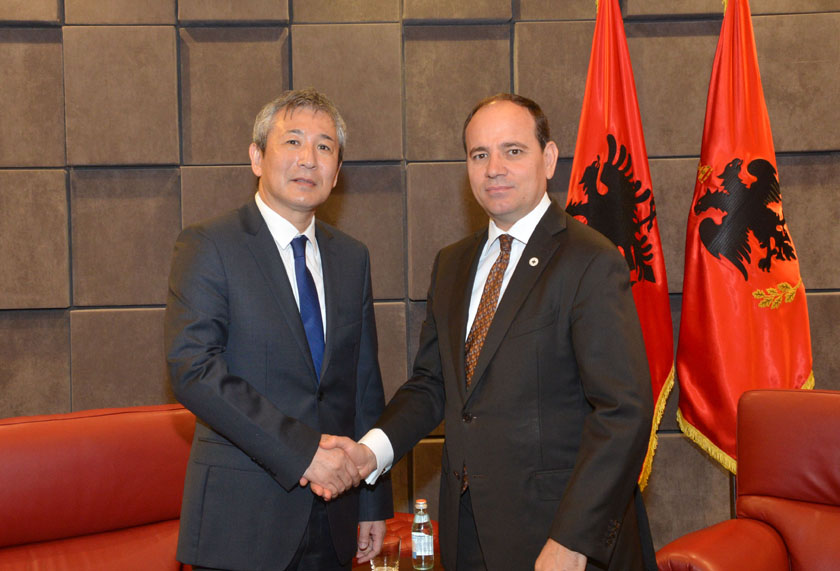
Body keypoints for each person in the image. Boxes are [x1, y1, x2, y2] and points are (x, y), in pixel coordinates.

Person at [332, 93, 655, 570]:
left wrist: (573, 540)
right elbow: (432, 384)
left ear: (548, 158)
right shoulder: (452, 264)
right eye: (479, 154)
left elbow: (623, 411)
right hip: (467, 533)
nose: (494, 169)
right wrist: (368, 453)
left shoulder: (590, 260)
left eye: (513, 151)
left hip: (559, 539)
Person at [165, 88, 392, 571]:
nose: (308, 159)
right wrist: (304, 453)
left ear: (337, 170)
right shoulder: (209, 244)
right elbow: (194, 370)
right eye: (292, 141)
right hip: (242, 522)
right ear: (256, 157)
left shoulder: (352, 257)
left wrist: (372, 501)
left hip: (335, 517)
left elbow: (363, 383)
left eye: (325, 147)